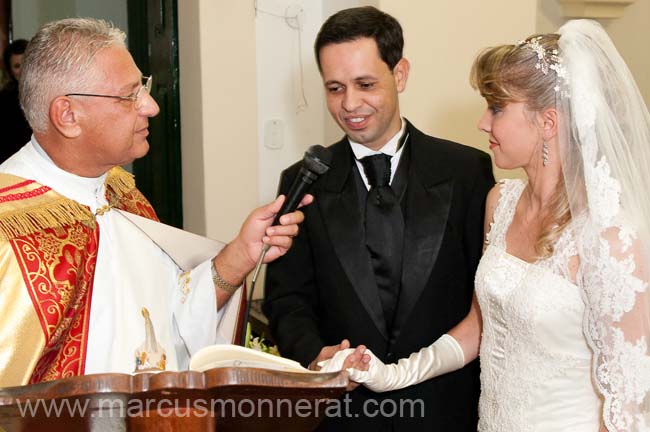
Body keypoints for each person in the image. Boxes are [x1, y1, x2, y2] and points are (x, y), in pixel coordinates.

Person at [322, 19, 650, 432]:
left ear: (547, 122)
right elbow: (482, 325)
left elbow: (626, 402)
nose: (482, 123)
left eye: (497, 108)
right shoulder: (501, 203)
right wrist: (393, 375)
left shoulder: (610, 239)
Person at [0, 18, 311, 387]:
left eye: (142, 87)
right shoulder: (9, 229)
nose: (150, 107)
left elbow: (168, 320)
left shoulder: (120, 192)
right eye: (129, 95)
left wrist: (241, 254)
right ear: (68, 116)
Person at [263, 6, 494, 431]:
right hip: (343, 416)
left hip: (446, 412)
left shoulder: (468, 172)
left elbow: (487, 298)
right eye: (335, 88)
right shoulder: (300, 180)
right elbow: (286, 299)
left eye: (365, 84)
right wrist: (319, 356)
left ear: (400, 74)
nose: (350, 104)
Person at [0, 39, 31, 162]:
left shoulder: (50, 92)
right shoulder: (4, 100)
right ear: (10, 71)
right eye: (17, 66)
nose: (23, 70)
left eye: (25, 63)